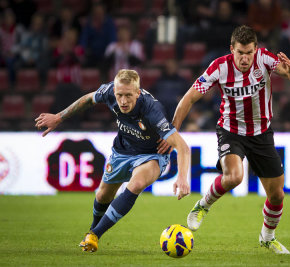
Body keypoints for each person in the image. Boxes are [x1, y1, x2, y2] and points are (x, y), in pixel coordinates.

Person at [167, 25, 290, 254]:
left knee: (277, 195)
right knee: (235, 176)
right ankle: (203, 205)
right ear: (232, 49)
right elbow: (189, 98)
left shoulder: (265, 59)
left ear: (256, 50)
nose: (245, 58)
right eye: (240, 52)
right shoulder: (219, 67)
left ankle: (267, 237)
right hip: (231, 131)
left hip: (261, 133)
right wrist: (172, 132)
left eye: (249, 52)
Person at [35, 69, 191, 252]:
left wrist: (182, 178)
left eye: (128, 95)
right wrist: (59, 117)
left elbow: (183, 147)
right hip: (122, 150)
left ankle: (95, 235)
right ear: (114, 91)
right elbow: (87, 99)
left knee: (137, 183)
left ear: (138, 93)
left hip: (151, 154)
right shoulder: (109, 91)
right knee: (103, 196)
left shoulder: (151, 110)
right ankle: (91, 232)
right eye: (119, 95)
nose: (123, 101)